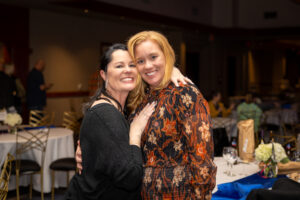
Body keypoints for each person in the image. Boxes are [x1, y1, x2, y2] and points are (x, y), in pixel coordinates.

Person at [126, 31, 216, 199]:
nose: (148, 66)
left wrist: (200, 196)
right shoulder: (144, 98)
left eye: (153, 57)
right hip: (145, 194)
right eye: (140, 61)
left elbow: (202, 159)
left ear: (166, 56)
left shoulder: (186, 94)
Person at [64, 44, 156, 200]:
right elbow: (130, 178)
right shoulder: (105, 113)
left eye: (132, 65)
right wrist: (135, 133)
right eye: (119, 65)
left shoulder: (117, 108)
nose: (127, 69)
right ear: (104, 74)